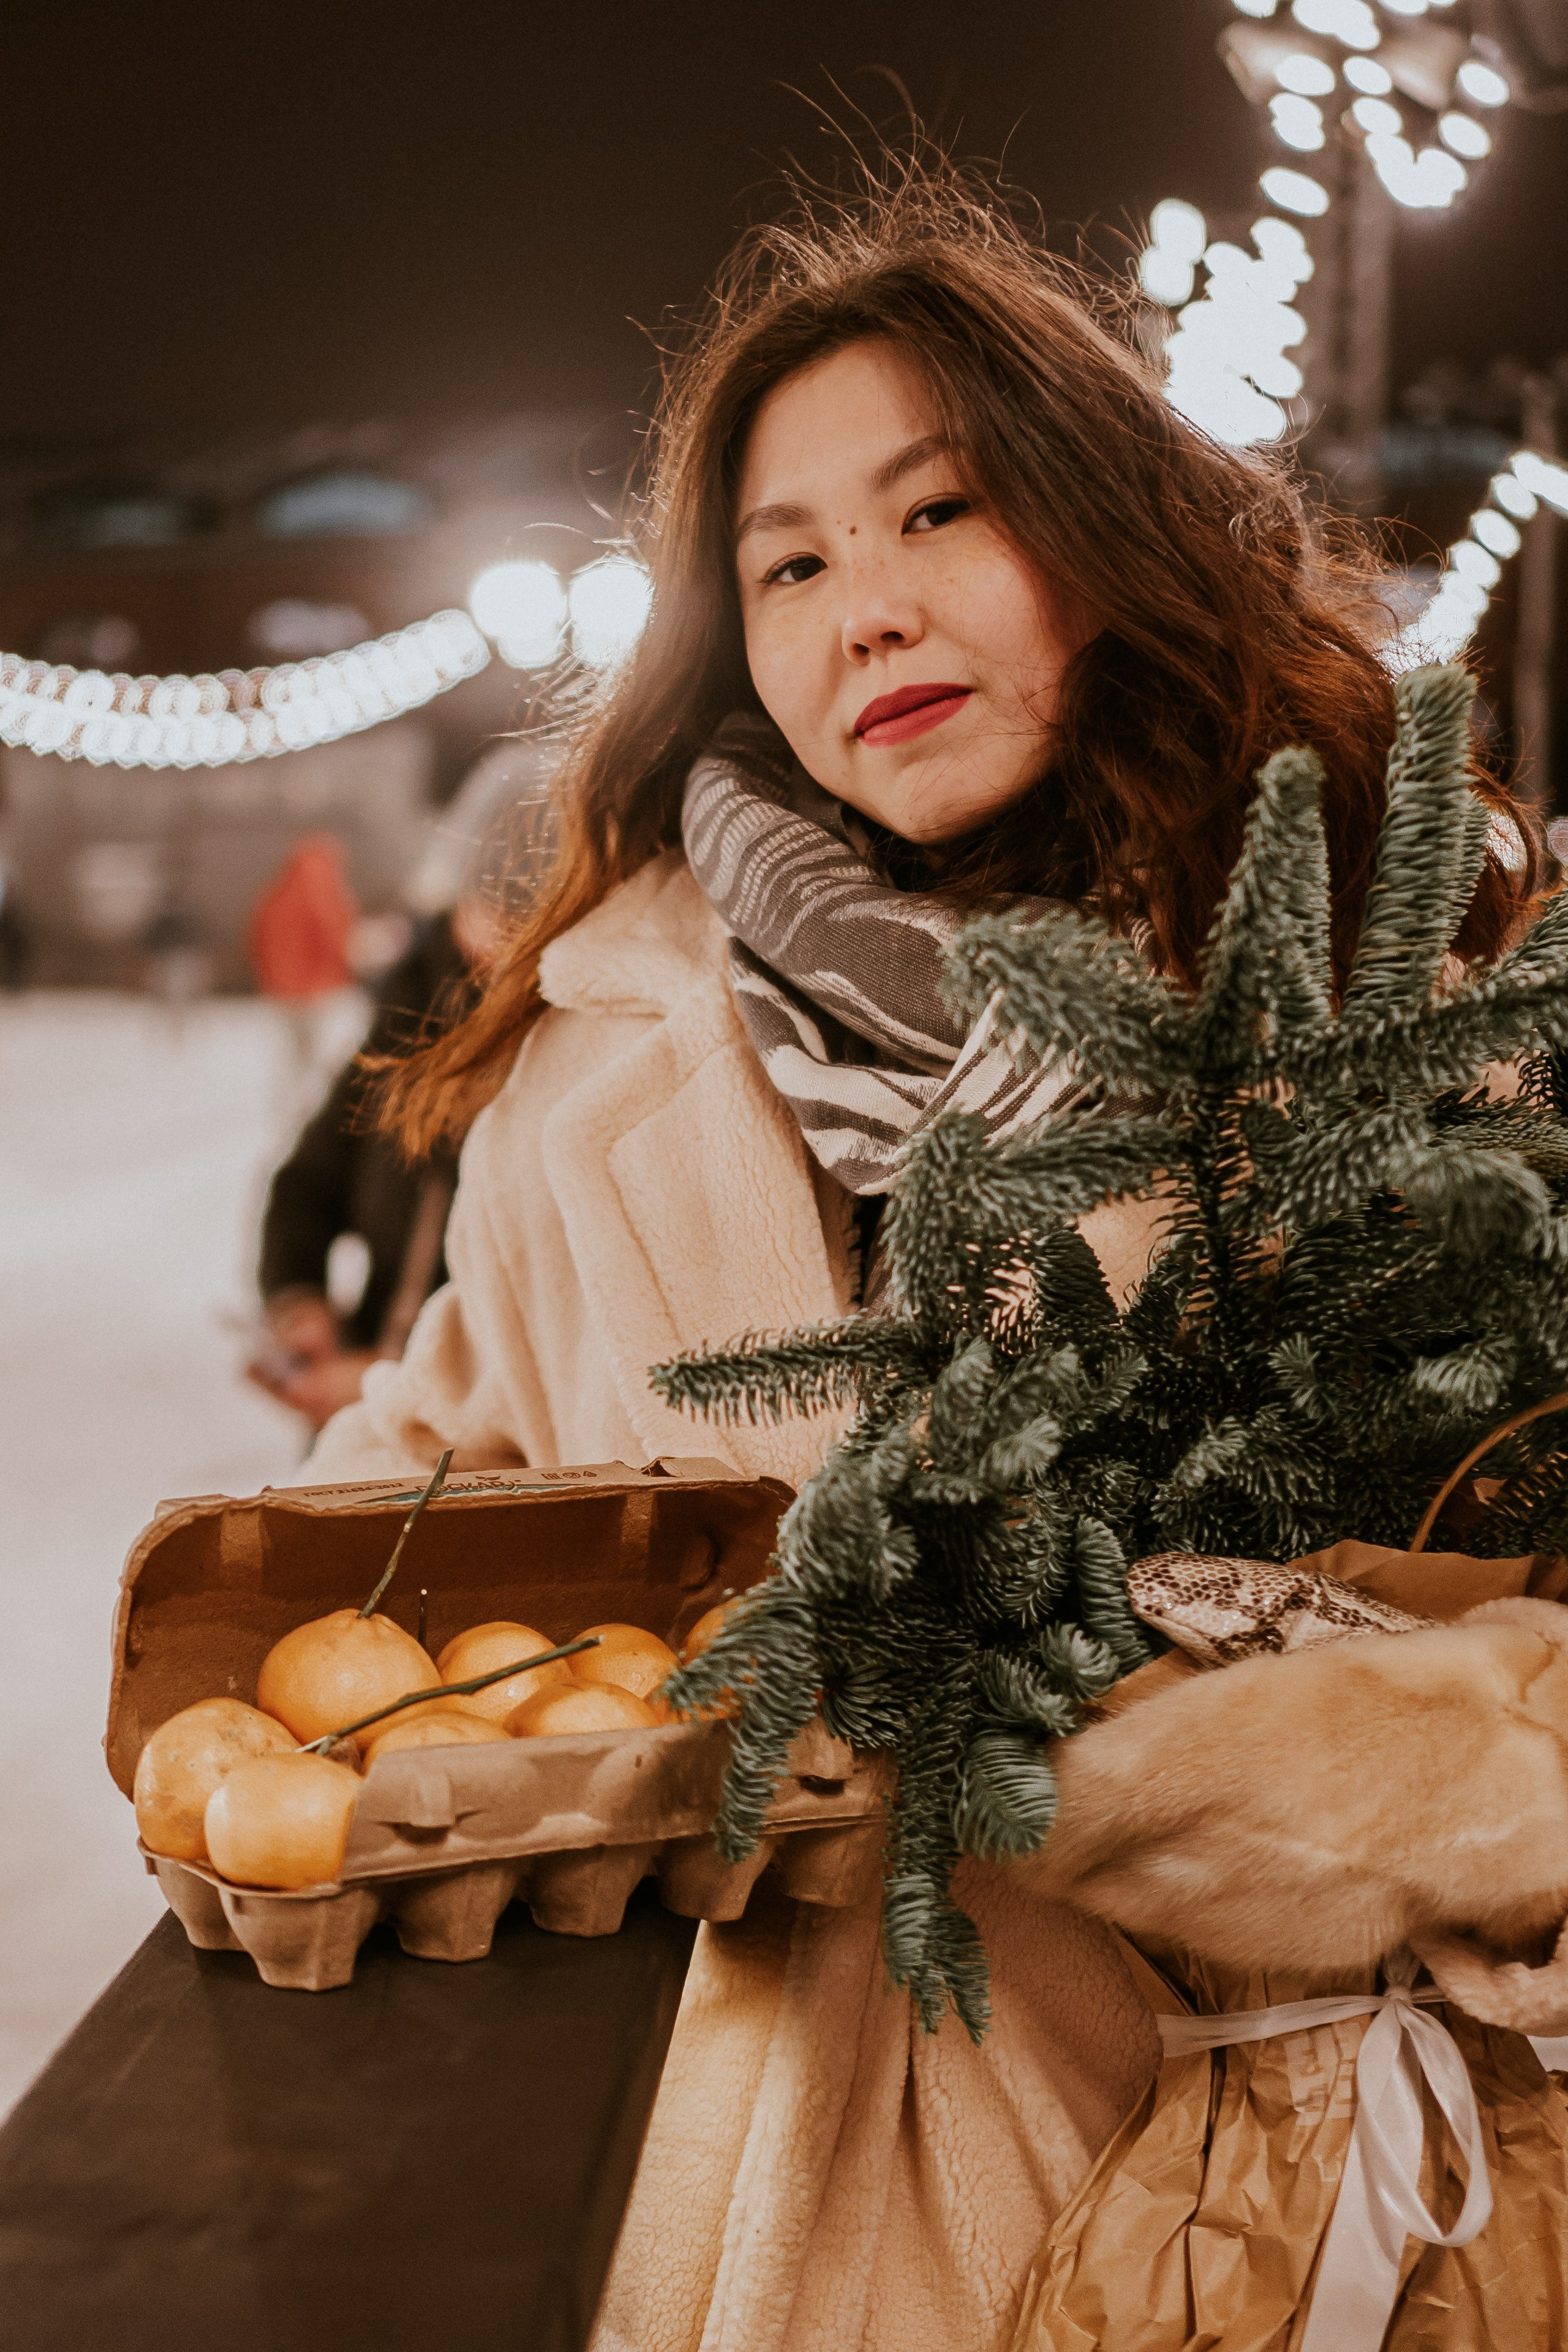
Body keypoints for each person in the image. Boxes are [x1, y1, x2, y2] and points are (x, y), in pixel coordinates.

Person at [302, 161, 1534, 2351]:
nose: (856, 608)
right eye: (785, 560)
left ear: (1103, 527)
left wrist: (1085, 1768)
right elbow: (457, 1484)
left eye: (934, 513)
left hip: (1235, 2200)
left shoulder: (1402, 985)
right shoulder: (609, 1053)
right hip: (730, 2176)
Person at [252, 741, 554, 1429]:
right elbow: (307, 1182)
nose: (498, 944)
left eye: (529, 916)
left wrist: (386, 1385)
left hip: (489, 1461)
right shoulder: (410, 1022)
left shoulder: (577, 1061)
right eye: (487, 905)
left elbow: (557, 1324)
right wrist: (298, 1303)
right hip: (367, 1428)